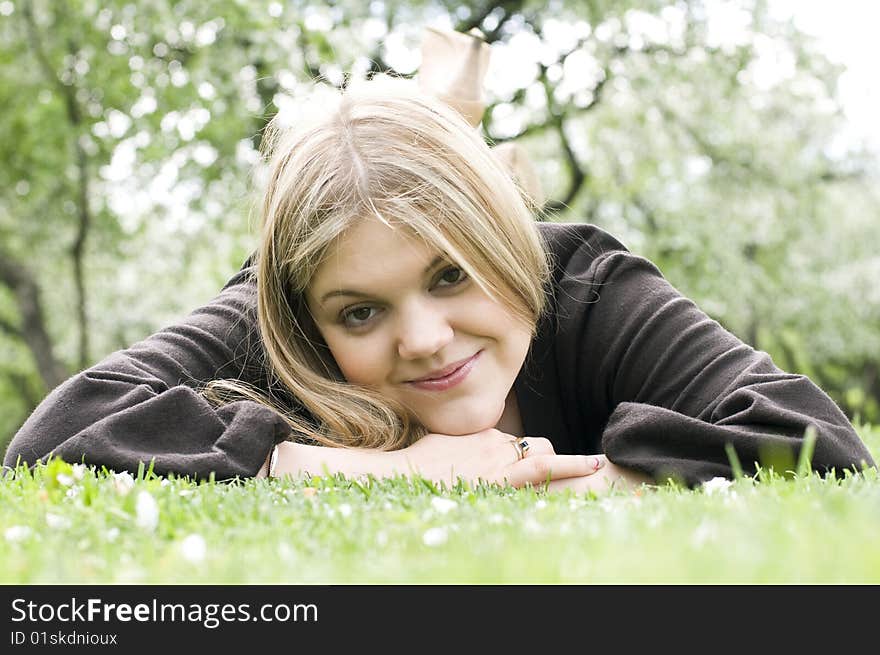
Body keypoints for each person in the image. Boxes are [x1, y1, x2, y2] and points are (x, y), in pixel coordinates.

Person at [3, 33, 874, 494]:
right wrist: (371, 469)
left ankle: (446, 122)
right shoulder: (281, 312)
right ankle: (438, 115)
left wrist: (593, 482)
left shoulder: (584, 283)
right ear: (311, 313)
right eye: (360, 312)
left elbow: (818, 442)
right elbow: (51, 444)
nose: (422, 339)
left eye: (450, 273)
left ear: (502, 242)